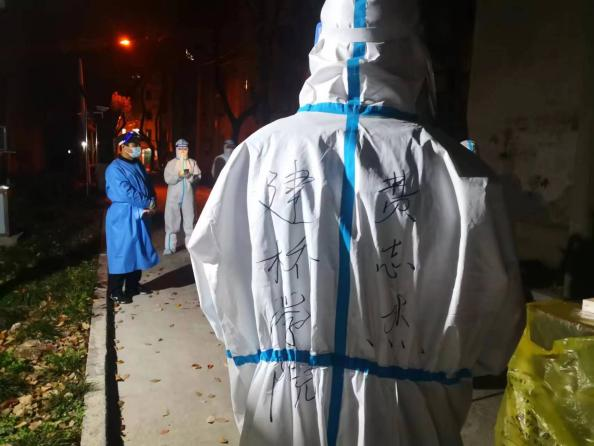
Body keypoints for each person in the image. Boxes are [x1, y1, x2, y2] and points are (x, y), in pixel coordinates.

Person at [188, 0, 525, 444]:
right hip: (410, 422)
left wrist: (263, 346)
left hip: (282, 412)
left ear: (320, 45)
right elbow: (496, 327)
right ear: (413, 50)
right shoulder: (460, 173)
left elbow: (216, 282)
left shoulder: (254, 156)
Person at [105, 131, 158, 304]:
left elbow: (148, 185)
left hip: (139, 214)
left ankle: (133, 286)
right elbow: (125, 192)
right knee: (122, 252)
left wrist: (153, 199)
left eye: (138, 145)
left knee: (137, 250)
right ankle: (114, 291)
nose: (138, 148)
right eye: (134, 145)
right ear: (123, 147)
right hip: (123, 216)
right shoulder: (114, 168)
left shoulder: (137, 164)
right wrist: (147, 202)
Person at [163, 138, 201, 255]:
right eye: (180, 148)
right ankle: (170, 247)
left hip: (188, 195)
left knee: (190, 219)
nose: (183, 151)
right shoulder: (171, 163)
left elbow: (198, 177)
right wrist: (178, 175)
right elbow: (167, 178)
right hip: (173, 196)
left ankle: (191, 245)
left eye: (185, 148)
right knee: (171, 219)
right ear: (176, 149)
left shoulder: (192, 162)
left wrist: (190, 177)